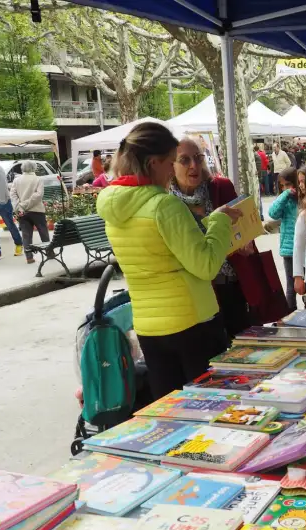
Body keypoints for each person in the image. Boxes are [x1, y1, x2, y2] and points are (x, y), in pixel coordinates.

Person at [96, 122, 241, 398]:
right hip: (191, 323)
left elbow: (163, 251)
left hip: (150, 328)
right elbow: (206, 265)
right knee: (212, 407)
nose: (173, 171)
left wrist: (210, 221)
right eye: (172, 162)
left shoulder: (114, 207)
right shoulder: (164, 205)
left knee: (171, 410)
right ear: (153, 163)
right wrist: (221, 223)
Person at [171, 137, 265, 337]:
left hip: (232, 282)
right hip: (196, 292)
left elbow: (243, 226)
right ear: (170, 165)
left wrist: (247, 243)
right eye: (185, 160)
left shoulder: (220, 187)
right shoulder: (166, 202)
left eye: (198, 158)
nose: (194, 165)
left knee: (242, 346)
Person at [269, 167, 301, 312]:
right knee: (291, 285)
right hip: (289, 249)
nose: (285, 188)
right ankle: (291, 312)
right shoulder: (285, 201)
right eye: (282, 186)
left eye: (288, 184)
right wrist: (285, 194)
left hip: (304, 249)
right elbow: (272, 213)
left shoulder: (302, 200)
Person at [10, 160, 49, 265]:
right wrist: (26, 204)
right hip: (37, 210)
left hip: (22, 212)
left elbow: (13, 195)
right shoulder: (37, 179)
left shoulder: (16, 180)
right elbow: (38, 195)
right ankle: (49, 252)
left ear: (22, 168)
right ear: (34, 168)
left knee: (26, 235)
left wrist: (20, 207)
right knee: (43, 232)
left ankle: (29, 257)